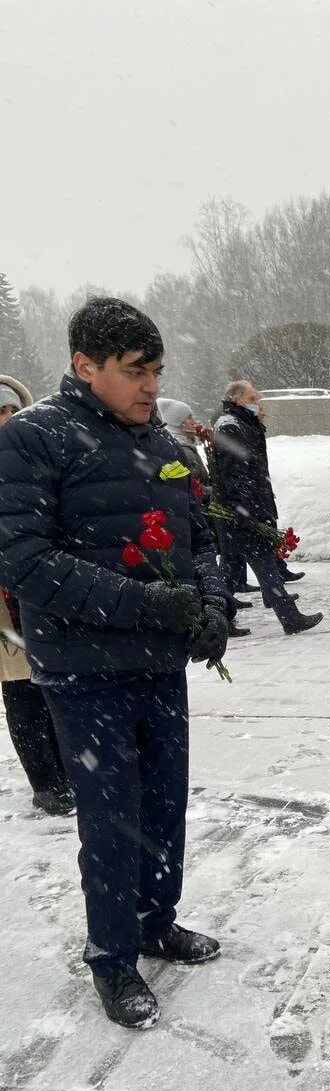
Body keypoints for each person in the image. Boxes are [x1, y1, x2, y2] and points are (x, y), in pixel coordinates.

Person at [0, 297, 230, 1029]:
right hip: (83, 670)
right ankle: (113, 955)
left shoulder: (159, 436)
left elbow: (202, 533)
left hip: (158, 665)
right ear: (84, 366)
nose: (150, 388)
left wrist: (212, 604)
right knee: (111, 816)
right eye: (135, 373)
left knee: (165, 801)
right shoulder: (33, 440)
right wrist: (147, 605)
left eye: (157, 372)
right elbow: (26, 561)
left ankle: (157, 921)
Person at [0, 376, 74, 816]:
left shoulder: (38, 454)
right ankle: (46, 781)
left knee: (56, 683)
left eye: (9, 411)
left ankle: (71, 768)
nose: (4, 420)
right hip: (6, 603)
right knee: (21, 687)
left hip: (43, 586)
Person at [212, 381, 321, 635]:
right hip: (241, 513)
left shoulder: (239, 424)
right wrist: (248, 512)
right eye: (252, 397)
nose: (257, 401)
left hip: (240, 512)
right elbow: (236, 475)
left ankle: (219, 618)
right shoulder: (231, 426)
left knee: (233, 567)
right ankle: (288, 617)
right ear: (237, 399)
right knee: (260, 564)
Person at [159, 398, 251, 639]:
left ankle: (222, 609)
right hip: (196, 512)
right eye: (187, 418)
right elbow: (189, 485)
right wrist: (212, 493)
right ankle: (219, 616)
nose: (193, 421)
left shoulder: (185, 444)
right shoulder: (181, 448)